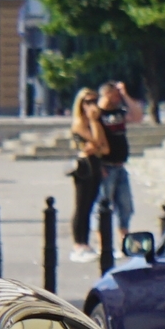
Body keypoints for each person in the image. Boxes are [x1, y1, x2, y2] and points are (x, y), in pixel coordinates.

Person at [86, 80, 134, 257]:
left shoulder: (118, 112)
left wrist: (125, 94)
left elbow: (137, 116)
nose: (118, 98)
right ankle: (102, 244)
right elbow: (94, 141)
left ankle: (124, 243)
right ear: (107, 94)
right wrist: (98, 165)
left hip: (120, 166)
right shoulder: (96, 114)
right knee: (103, 206)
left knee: (125, 206)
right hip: (106, 166)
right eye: (115, 94)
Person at [69, 87, 105, 256]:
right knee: (81, 205)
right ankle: (79, 242)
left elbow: (103, 147)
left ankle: (86, 241)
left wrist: (95, 122)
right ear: (80, 104)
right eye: (87, 102)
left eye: (94, 101)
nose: (91, 105)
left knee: (90, 205)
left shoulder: (96, 121)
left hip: (96, 165)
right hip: (84, 167)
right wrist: (93, 122)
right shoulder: (79, 123)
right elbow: (95, 142)